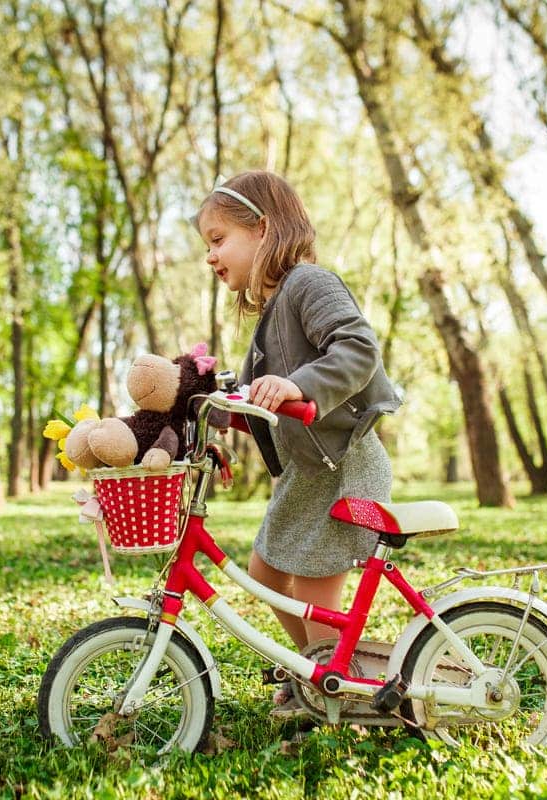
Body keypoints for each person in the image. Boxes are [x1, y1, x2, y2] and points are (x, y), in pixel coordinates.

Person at [194, 171, 403, 716]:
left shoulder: (310, 283)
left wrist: (300, 383)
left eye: (218, 240)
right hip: (308, 474)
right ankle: (318, 665)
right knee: (264, 572)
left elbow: (357, 349)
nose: (211, 257)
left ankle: (333, 681)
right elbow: (258, 403)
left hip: (342, 468)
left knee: (312, 591)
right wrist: (218, 417)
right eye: (206, 246)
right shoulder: (268, 319)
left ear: (263, 229)